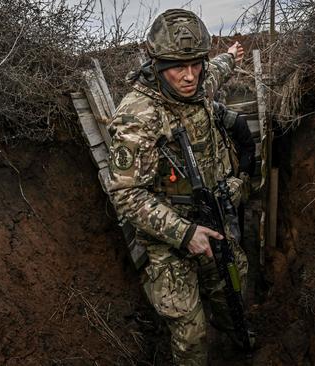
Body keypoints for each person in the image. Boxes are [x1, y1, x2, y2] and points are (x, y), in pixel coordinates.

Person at [107, 9, 253, 365]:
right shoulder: (137, 117)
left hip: (215, 219)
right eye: (177, 67)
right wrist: (186, 233)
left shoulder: (200, 82)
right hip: (169, 237)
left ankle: (235, 334)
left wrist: (230, 57)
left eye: (195, 64)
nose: (189, 77)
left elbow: (215, 69)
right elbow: (126, 195)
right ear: (157, 65)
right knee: (190, 334)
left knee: (232, 287)